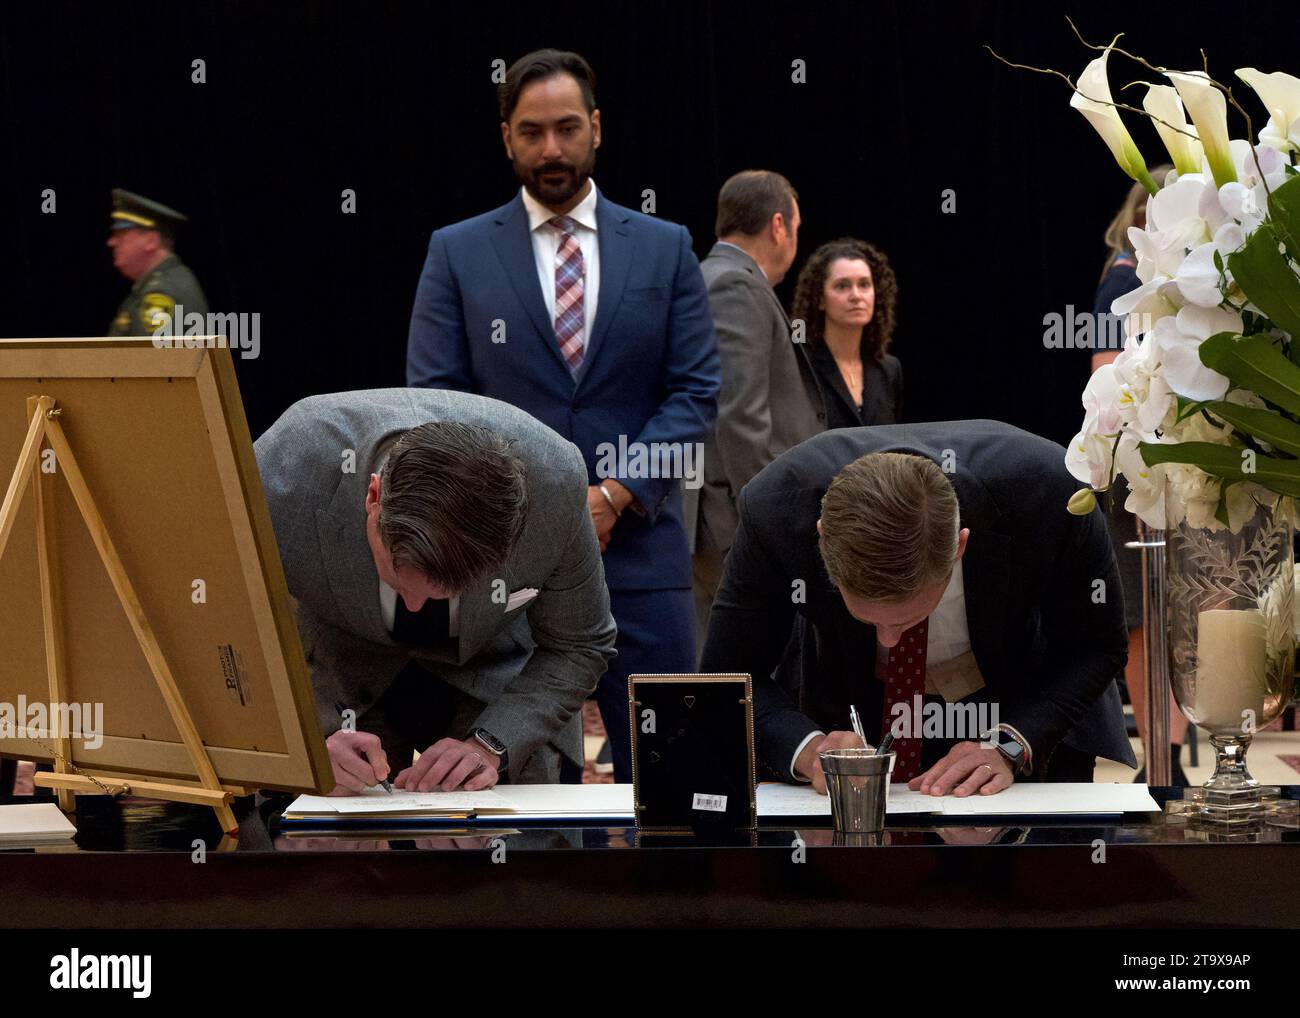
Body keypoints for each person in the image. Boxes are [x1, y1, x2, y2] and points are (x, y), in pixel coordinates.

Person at [405, 49, 719, 783]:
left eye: (567, 128)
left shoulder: (667, 247)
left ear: (597, 129)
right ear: (506, 138)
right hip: (505, 568)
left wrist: (615, 494)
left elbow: (696, 392)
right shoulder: (456, 252)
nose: (552, 148)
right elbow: (437, 401)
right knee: (521, 797)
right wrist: (544, 504)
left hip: (642, 559)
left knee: (677, 784)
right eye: (532, 131)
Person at [700, 420, 1137, 795]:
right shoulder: (776, 507)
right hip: (846, 707)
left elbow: (1097, 646)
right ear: (821, 540)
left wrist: (1010, 744)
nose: (891, 641)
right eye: (868, 618)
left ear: (959, 547)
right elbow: (729, 674)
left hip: (1022, 701)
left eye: (910, 619)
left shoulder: (1048, 490)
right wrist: (809, 749)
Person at [254, 388, 618, 793]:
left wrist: (493, 743)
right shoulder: (285, 467)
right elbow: (221, 629)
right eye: (397, 582)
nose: (413, 606)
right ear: (373, 498)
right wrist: (308, 735)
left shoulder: (554, 480)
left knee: (513, 827)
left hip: (498, 677)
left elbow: (579, 643)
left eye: (443, 593)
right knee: (321, 827)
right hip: (338, 669)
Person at [688, 169, 825, 642]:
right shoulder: (735, 284)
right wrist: (772, 519)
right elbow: (739, 417)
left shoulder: (713, 276)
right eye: (797, 227)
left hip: (725, 510)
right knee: (742, 664)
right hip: (736, 519)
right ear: (778, 226)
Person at [1091, 168, 1190, 785]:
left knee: (1181, 615)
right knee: (1144, 619)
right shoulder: (1123, 279)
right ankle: (1159, 752)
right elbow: (1106, 375)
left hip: (1191, 460)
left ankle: (1172, 754)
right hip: (1139, 464)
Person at [790, 237, 902, 429]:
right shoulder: (800, 365)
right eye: (842, 286)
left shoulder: (889, 369)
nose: (856, 296)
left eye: (864, 284)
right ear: (820, 299)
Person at [106, 189, 208, 336]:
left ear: (151, 241)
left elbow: (149, 351)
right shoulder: (162, 282)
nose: (111, 242)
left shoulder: (162, 292)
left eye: (121, 235)